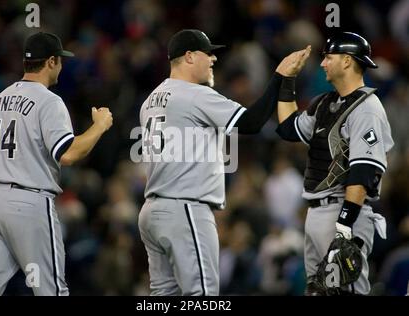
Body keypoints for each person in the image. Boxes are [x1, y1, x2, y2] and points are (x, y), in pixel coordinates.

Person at [137, 29, 310, 295]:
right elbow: (251, 123)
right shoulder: (194, 94)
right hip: (185, 208)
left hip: (152, 212)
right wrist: (280, 77)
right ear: (190, 56)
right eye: (208, 54)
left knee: (163, 297)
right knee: (203, 295)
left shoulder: (150, 101)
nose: (213, 60)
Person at [0, 32, 113, 296]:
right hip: (28, 203)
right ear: (50, 61)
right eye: (60, 60)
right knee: (51, 290)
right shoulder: (49, 101)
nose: (61, 65)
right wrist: (99, 126)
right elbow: (68, 154)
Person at [276, 32, 393, 295]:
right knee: (317, 292)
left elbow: (364, 172)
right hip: (316, 213)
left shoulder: (367, 108)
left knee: (343, 292)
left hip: (342, 211)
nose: (322, 63)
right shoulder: (326, 102)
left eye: (329, 57)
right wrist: (287, 80)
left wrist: (343, 227)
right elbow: (288, 129)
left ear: (348, 61)